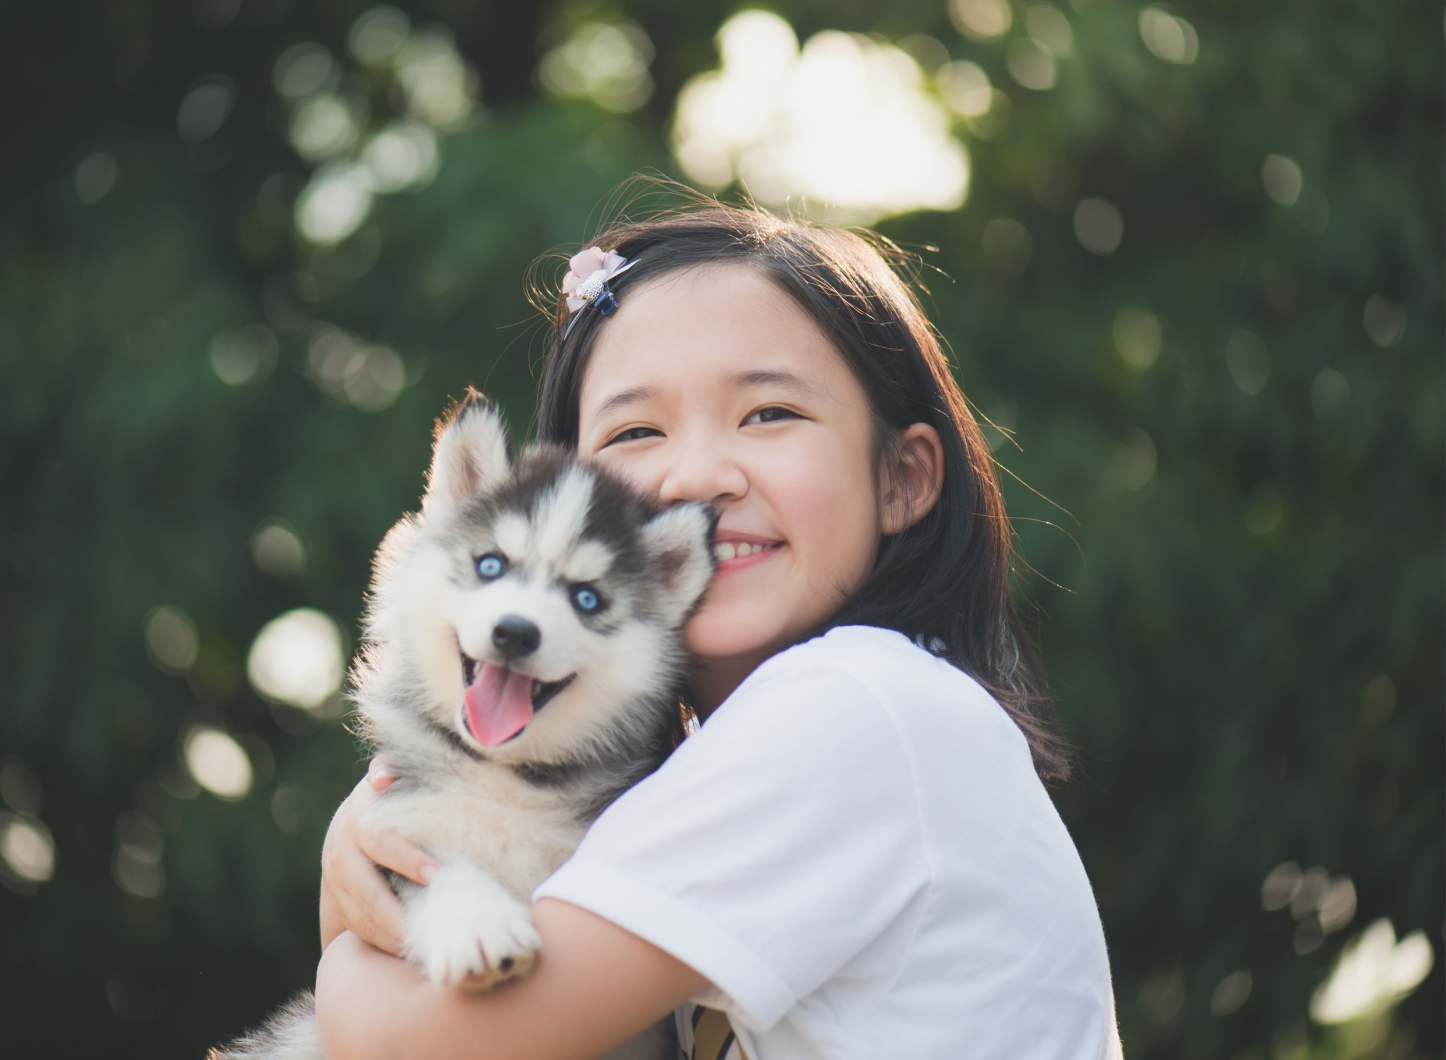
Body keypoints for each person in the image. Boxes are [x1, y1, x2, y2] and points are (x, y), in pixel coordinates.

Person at [314, 201, 1122, 1059]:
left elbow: (413, 1045)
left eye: (768, 414)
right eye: (635, 431)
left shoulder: (850, 706)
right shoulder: (786, 735)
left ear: (903, 477)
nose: (697, 477)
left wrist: (346, 925)